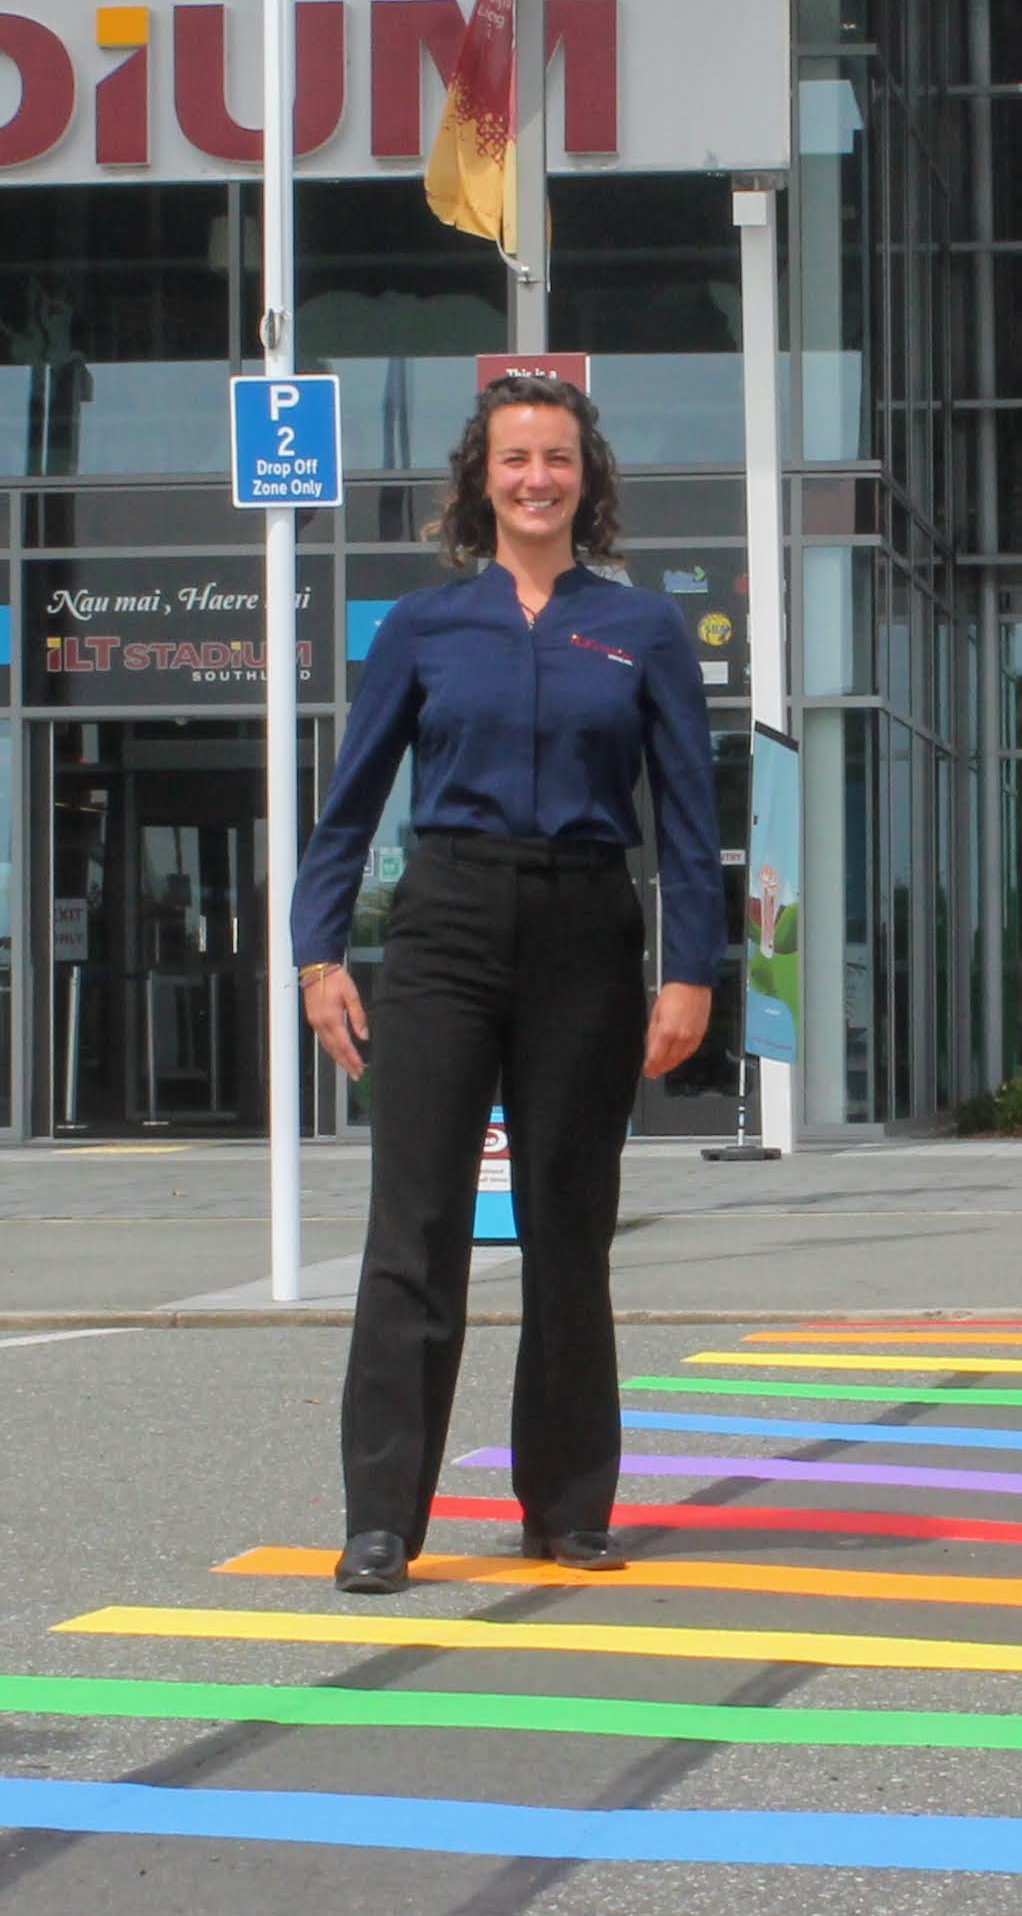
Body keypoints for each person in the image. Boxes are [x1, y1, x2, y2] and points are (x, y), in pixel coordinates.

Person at [293, 372, 719, 1597]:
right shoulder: (426, 628)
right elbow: (353, 800)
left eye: (559, 459)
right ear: (481, 481)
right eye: (516, 458)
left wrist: (689, 971)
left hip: (589, 926)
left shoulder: (639, 629)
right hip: (446, 924)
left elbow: (688, 819)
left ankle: (568, 1505)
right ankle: (383, 1516)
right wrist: (318, 953)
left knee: (568, 1227)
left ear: (590, 483)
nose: (538, 478)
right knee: (413, 1229)